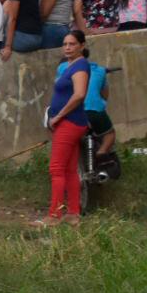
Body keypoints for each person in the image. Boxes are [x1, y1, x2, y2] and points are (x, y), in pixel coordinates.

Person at [42, 29, 90, 226]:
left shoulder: (80, 66)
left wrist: (59, 116)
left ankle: (54, 215)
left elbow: (79, 95)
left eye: (72, 44)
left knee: (57, 168)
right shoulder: (70, 65)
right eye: (65, 44)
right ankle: (73, 213)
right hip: (69, 121)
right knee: (70, 170)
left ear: (82, 46)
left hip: (69, 122)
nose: (67, 48)